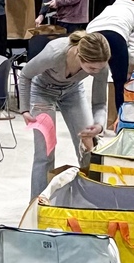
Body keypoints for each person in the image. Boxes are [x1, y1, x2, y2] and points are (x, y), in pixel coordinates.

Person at [19, 30, 111, 197]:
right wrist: (24, 109)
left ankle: (92, 196)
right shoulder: (55, 53)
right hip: (43, 91)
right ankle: (37, 205)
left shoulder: (100, 67)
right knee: (45, 152)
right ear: (78, 55)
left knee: (89, 146)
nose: (95, 72)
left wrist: (98, 124)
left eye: (100, 68)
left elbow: (100, 102)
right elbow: (25, 74)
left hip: (73, 91)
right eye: (91, 68)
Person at [85, 0, 134, 118]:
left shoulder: (110, 7)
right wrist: (129, 69)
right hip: (115, 36)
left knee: (99, 78)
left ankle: (97, 120)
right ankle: (121, 120)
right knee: (120, 83)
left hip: (91, 35)